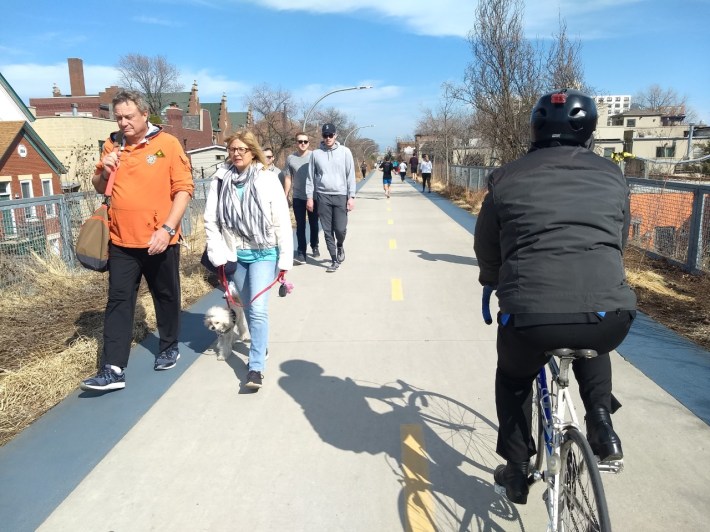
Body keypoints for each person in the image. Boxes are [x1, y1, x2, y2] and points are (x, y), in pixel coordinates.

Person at [474, 88, 637, 505]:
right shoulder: (614, 176)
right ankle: (601, 423)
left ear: (536, 127)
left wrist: (491, 280)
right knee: (591, 329)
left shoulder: (506, 177)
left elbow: (487, 244)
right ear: (590, 131)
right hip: (610, 314)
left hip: (531, 315)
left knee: (513, 380)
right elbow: (619, 241)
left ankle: (515, 469)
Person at [80, 90, 194, 392]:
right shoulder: (112, 144)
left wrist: (168, 229)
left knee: (166, 295)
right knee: (118, 301)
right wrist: (105, 169)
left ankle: (169, 345)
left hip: (160, 239)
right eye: (118, 117)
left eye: (128, 116)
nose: (123, 122)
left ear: (145, 114)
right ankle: (113, 369)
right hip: (120, 241)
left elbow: (183, 190)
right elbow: (98, 186)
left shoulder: (167, 145)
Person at [203, 131, 293, 389]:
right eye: (232, 149)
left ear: (253, 152)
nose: (237, 153)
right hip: (235, 255)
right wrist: (217, 252)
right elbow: (211, 219)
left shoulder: (267, 179)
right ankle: (261, 346)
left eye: (242, 148)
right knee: (248, 307)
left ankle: (255, 368)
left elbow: (281, 220)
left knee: (259, 307)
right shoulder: (220, 180)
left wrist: (285, 259)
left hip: (265, 252)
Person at [306, 123, 356, 273]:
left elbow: (351, 175)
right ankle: (334, 260)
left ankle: (340, 245)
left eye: (330, 135)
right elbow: (310, 177)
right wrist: (310, 197)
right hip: (323, 196)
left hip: (341, 194)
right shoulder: (315, 154)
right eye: (325, 135)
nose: (328, 138)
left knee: (340, 229)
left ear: (336, 135)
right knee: (327, 230)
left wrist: (351, 196)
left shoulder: (345, 152)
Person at [284, 133, 319, 265]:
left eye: (305, 141)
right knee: (300, 226)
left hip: (313, 196)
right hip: (298, 196)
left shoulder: (314, 156)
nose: (303, 144)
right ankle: (301, 252)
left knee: (314, 223)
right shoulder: (290, 158)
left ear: (309, 143)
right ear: (296, 143)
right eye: (300, 141)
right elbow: (288, 177)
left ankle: (315, 244)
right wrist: (286, 194)